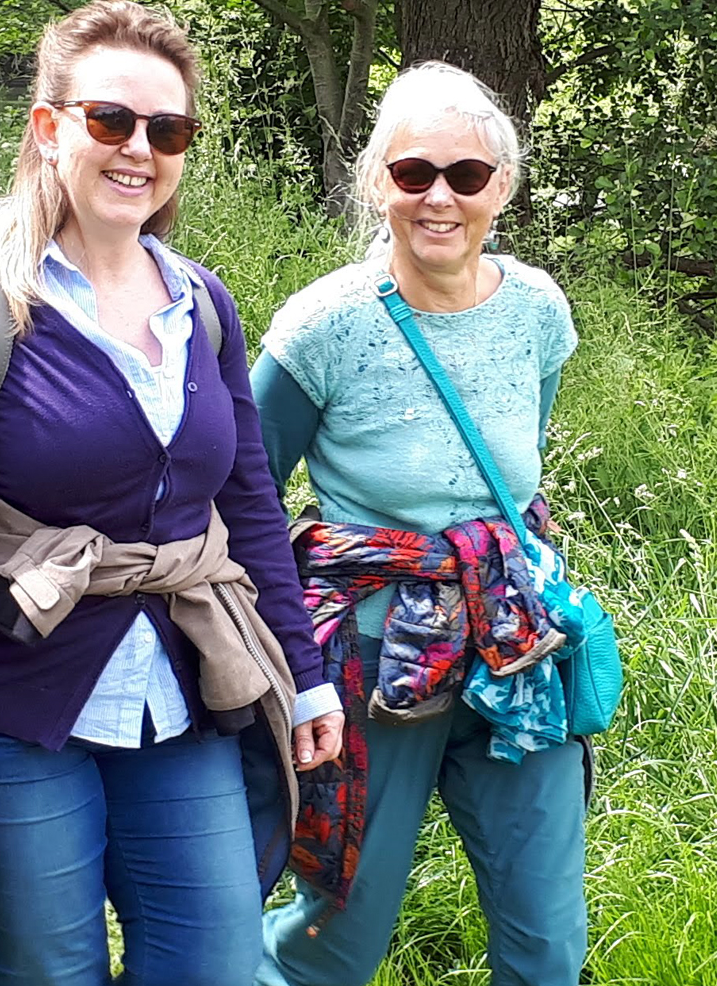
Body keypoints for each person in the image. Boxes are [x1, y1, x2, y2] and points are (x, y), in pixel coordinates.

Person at [0, 0, 342, 983]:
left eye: (166, 130)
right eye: (110, 120)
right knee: (49, 973)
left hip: (182, 693)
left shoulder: (201, 305)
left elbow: (251, 505)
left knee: (214, 964)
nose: (139, 148)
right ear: (48, 129)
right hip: (13, 703)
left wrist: (301, 672)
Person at [253, 61, 584, 986]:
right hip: (372, 660)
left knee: (549, 939)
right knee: (336, 939)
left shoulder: (536, 310)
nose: (440, 197)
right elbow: (242, 496)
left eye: (466, 176)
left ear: (503, 188)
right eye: (412, 174)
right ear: (375, 183)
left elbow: (519, 474)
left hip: (517, 647)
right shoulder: (324, 325)